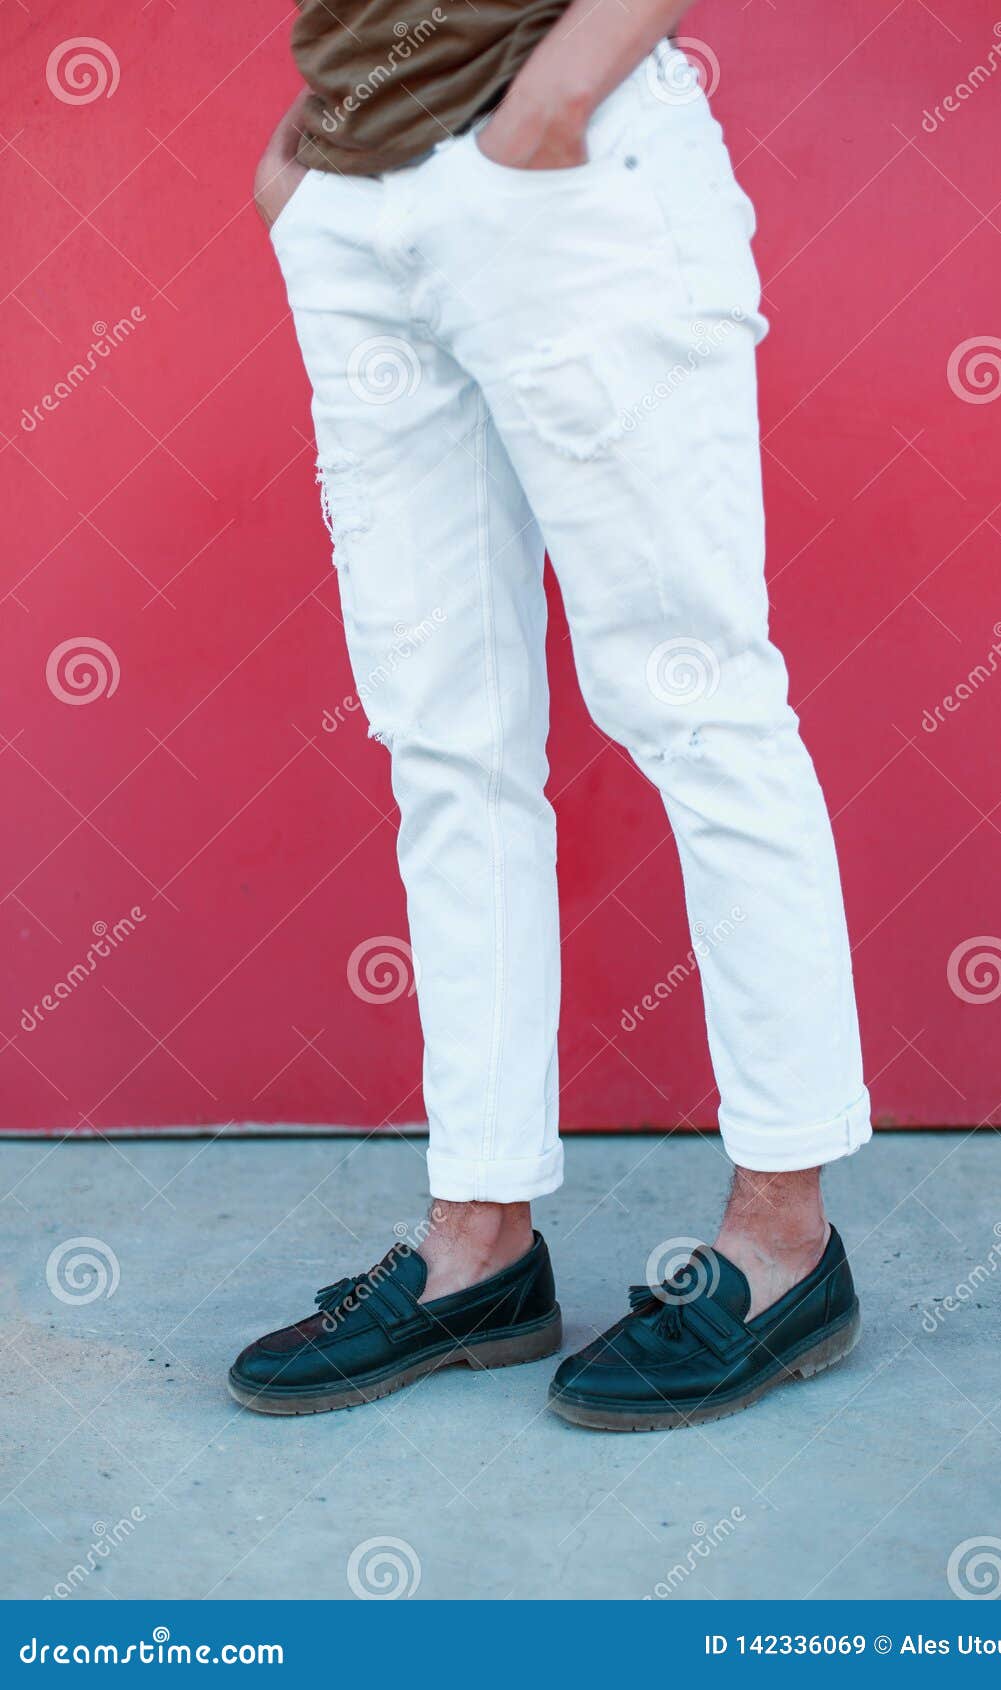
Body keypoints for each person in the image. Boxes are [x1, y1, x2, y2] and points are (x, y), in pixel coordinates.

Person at [229, 0, 871, 1430]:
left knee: (699, 706)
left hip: (564, 171)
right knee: (443, 743)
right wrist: (308, 155)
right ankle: (481, 1243)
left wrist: (553, 103)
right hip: (357, 193)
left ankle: (784, 1239)